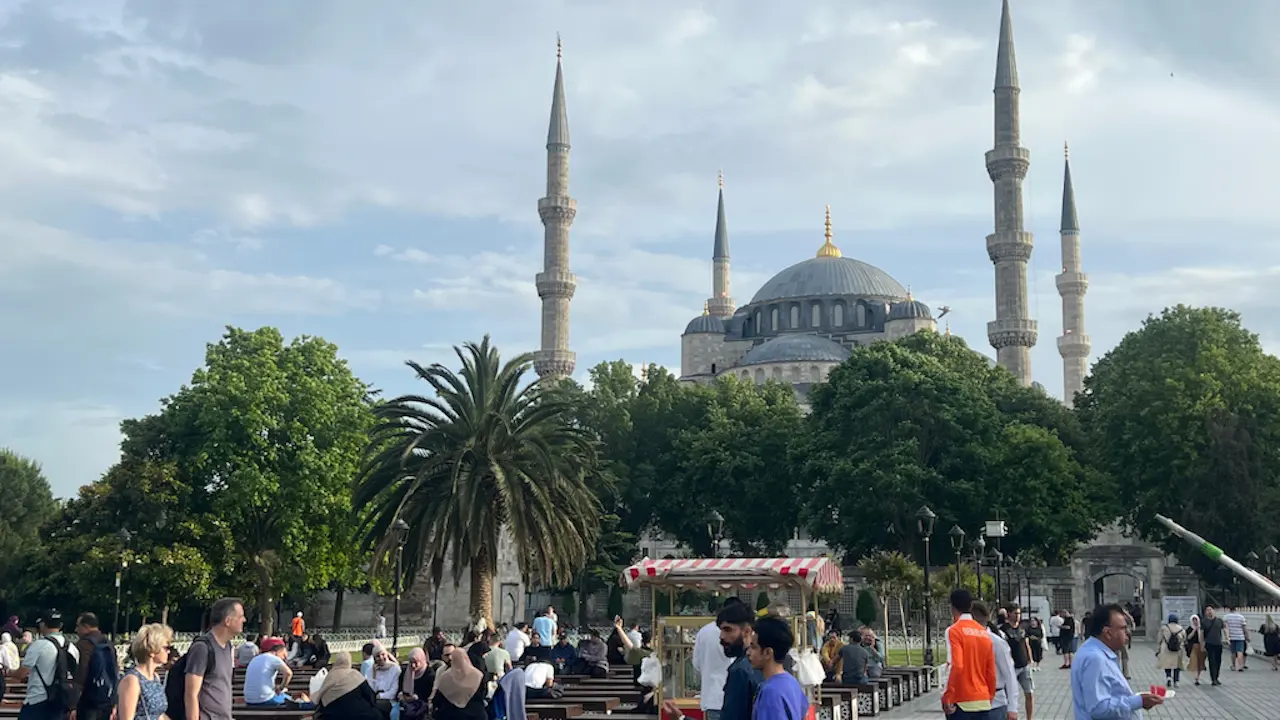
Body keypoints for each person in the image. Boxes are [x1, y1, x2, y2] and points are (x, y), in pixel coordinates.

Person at [1070, 604, 1162, 719]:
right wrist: (1138, 701)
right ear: (1108, 633)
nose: (1128, 632)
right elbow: (1099, 708)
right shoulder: (1095, 659)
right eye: (1123, 628)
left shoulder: (1095, 650)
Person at [11, 609, 80, 720]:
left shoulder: (39, 645)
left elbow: (22, 673)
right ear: (61, 625)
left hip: (37, 700)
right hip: (61, 702)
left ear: (42, 624)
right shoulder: (72, 648)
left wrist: (9, 671)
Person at [940, 590, 996, 720]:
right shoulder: (983, 633)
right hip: (983, 700)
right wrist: (990, 695)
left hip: (961, 700)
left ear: (952, 607)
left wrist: (947, 695)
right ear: (971, 607)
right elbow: (991, 671)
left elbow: (956, 665)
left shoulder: (954, 631)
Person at [183, 597, 243, 720]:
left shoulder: (227, 646)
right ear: (227, 621)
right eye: (240, 616)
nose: (244, 620)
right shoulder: (202, 648)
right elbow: (191, 694)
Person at [746, 617, 809, 720]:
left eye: (754, 647)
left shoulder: (770, 692)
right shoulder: (791, 682)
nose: (748, 652)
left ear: (767, 653)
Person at [693, 597, 741, 720]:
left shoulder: (704, 632)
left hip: (712, 697)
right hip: (735, 699)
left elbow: (696, 664)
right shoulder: (740, 634)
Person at [972, 602, 1020, 720]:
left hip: (995, 704)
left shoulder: (996, 643)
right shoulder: (966, 641)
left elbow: (1009, 674)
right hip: (971, 703)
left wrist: (1013, 707)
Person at [714, 601, 761, 720]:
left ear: (746, 631)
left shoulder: (739, 670)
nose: (722, 636)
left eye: (728, 630)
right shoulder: (764, 664)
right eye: (721, 630)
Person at [117, 624, 172, 720]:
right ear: (152, 651)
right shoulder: (132, 680)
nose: (169, 652)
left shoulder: (155, 677)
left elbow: (159, 714)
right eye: (166, 648)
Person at [314, 653, 382, 720]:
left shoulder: (330, 676)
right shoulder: (355, 675)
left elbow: (322, 697)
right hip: (359, 714)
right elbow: (370, 696)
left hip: (332, 716)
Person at [431, 645, 487, 720]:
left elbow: (438, 698)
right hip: (476, 715)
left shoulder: (444, 677)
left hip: (450, 715)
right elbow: (483, 694)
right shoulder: (477, 675)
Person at [999, 605, 1033, 720]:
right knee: (1010, 696)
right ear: (1008, 614)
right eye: (1015, 613)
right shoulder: (1003, 629)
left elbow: (1026, 643)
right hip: (1011, 667)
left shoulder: (1023, 627)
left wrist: (1030, 658)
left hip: (1024, 665)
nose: (1018, 616)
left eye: (1019, 613)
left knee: (1029, 693)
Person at [400, 648, 434, 720]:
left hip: (421, 705)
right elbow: (399, 687)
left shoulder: (429, 674)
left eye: (416, 662)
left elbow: (429, 694)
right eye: (411, 662)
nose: (413, 665)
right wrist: (401, 695)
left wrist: (415, 697)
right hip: (405, 703)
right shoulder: (405, 672)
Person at [1156, 613, 1185, 688]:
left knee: (1167, 664)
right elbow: (1184, 638)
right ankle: (1176, 681)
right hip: (1177, 649)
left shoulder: (1164, 628)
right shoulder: (1181, 628)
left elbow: (1159, 639)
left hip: (1166, 648)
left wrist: (1158, 648)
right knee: (1177, 665)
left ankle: (1168, 677)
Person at [1201, 605, 1226, 686]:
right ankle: (1213, 679)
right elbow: (1201, 634)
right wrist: (1202, 644)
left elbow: (1225, 629)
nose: (1209, 611)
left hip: (1218, 643)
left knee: (1218, 661)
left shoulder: (1219, 621)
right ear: (1206, 612)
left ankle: (1217, 677)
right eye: (1207, 610)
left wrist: (1227, 638)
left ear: (1213, 611)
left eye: (1210, 609)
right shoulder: (1204, 621)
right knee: (1212, 661)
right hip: (1209, 643)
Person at [1224, 605, 1249, 672]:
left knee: (1233, 652)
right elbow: (1244, 628)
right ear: (1236, 609)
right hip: (1240, 637)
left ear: (1230, 609)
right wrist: (1247, 636)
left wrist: (1227, 637)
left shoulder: (1226, 617)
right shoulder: (1241, 617)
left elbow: (1225, 628)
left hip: (1231, 637)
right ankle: (1240, 666)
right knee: (1240, 651)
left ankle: (1234, 665)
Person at [1184, 614, 1206, 685]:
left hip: (1200, 646)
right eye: (1193, 620)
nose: (1195, 622)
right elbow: (1188, 637)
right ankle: (1195, 676)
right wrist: (1194, 630)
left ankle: (1197, 677)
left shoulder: (1201, 628)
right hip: (1193, 646)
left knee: (1200, 662)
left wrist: (1199, 630)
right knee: (1194, 661)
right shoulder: (1189, 628)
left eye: (1196, 620)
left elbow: (1202, 638)